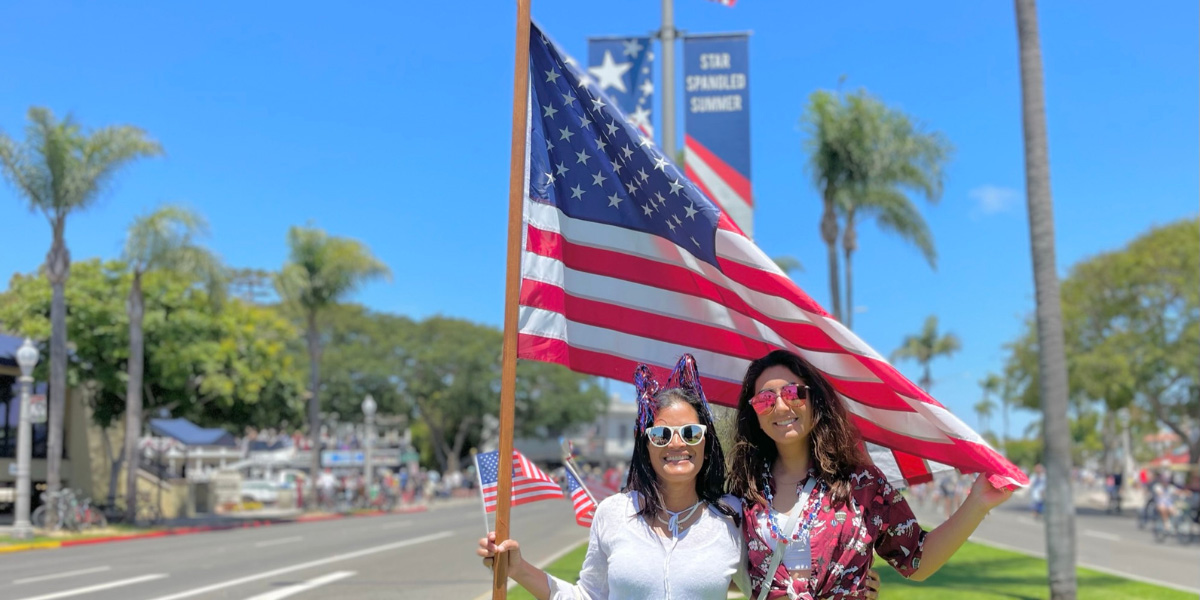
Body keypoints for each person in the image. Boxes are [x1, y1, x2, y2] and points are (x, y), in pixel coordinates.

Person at [477, 354, 882, 600]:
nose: (677, 444)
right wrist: (518, 569)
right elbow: (586, 596)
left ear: (706, 442)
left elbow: (770, 587)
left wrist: (847, 582)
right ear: (645, 443)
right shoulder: (613, 514)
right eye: (661, 434)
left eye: (690, 433)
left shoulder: (732, 517)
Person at [727, 350, 1012, 598]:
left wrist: (978, 503)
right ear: (754, 413)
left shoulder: (862, 484)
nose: (780, 406)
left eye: (793, 393)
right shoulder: (744, 490)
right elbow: (720, 571)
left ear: (814, 400)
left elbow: (917, 560)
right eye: (764, 399)